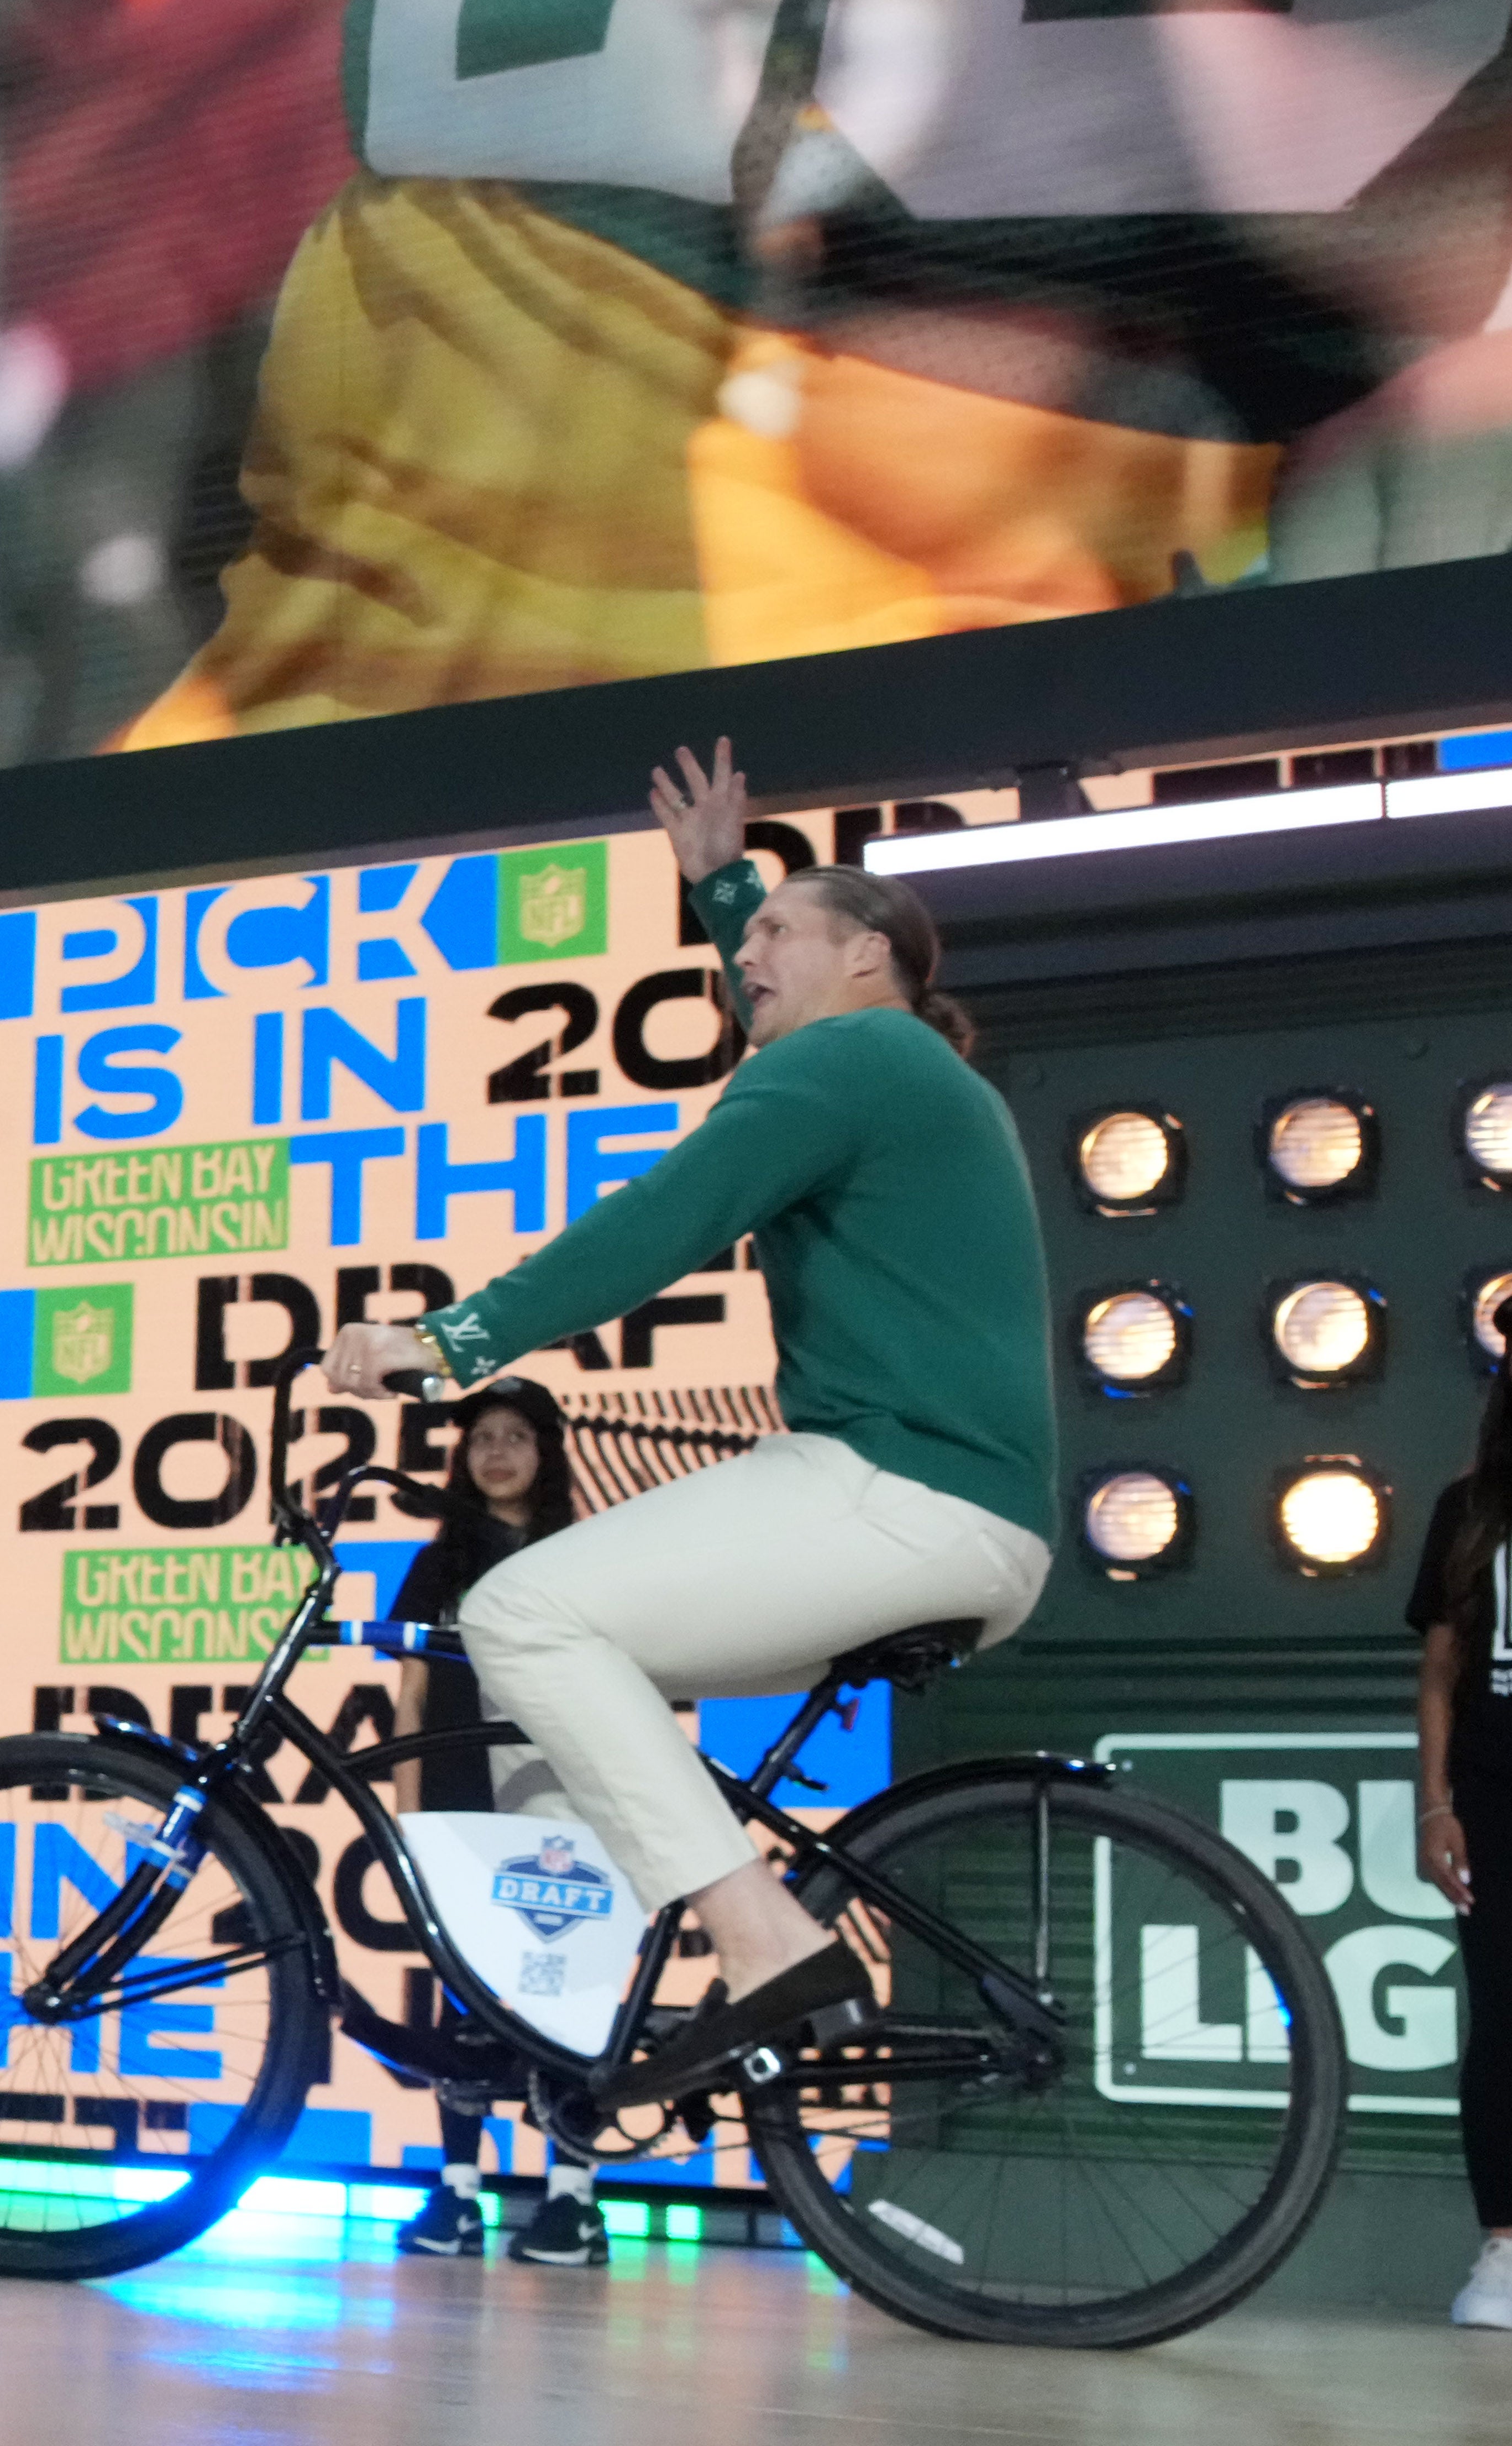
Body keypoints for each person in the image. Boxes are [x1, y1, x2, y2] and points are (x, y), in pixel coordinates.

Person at [324, 737, 1055, 2091]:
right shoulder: (900, 1075)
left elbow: (657, 1221)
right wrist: (729, 887)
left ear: (868, 959)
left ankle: (763, 1945)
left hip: (898, 1491)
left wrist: (443, 1346)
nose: (747, 959)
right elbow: (767, 1029)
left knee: (515, 1617)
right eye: (748, 937)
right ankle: (603, 2003)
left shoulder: (854, 1064)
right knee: (594, 1683)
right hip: (965, 1517)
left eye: (781, 933)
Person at [379, 1376, 609, 2267]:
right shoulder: (436, 1565)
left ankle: (573, 2199)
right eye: (480, 1438)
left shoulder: (585, 1555)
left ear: (546, 1452)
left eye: (516, 1435)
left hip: (562, 1797)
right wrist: (406, 1809)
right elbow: (405, 1690)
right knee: (465, 2002)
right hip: (454, 1794)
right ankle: (458, 2193)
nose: (497, 1451)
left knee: (568, 1991)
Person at [1413, 1289, 1512, 2330]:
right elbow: (1441, 1671)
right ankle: (1503, 2250)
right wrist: (1434, 1806)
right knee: (1503, 2021)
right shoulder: (1471, 1504)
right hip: (1496, 1796)